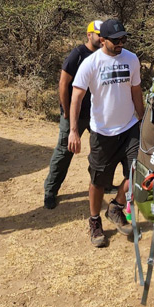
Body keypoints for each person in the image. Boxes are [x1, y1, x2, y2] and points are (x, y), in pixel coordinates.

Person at [67, 18, 145, 247]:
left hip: (129, 127)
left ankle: (116, 207)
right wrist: (73, 131)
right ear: (102, 40)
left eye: (124, 38)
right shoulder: (91, 64)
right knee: (98, 181)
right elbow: (77, 98)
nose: (121, 43)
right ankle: (94, 221)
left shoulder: (131, 59)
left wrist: (143, 120)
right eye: (116, 40)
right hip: (102, 132)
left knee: (137, 173)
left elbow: (136, 91)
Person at [43, 20, 102, 209]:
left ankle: (102, 184)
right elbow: (63, 83)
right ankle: (50, 191)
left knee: (101, 151)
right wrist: (67, 111)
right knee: (64, 152)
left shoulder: (103, 55)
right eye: (98, 34)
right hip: (75, 114)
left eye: (103, 35)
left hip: (96, 114)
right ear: (89, 34)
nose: (101, 38)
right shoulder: (78, 54)